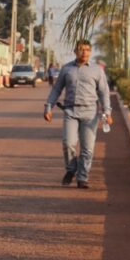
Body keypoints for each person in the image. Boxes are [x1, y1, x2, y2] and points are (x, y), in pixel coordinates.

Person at [44, 40, 112, 189]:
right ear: (75, 51)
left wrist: (107, 112)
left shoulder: (97, 70)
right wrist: (48, 107)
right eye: (81, 50)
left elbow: (103, 92)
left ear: (90, 52)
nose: (84, 53)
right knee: (68, 143)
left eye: (87, 50)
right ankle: (71, 169)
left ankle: (82, 177)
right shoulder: (67, 69)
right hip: (70, 111)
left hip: (90, 113)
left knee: (87, 148)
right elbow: (56, 89)